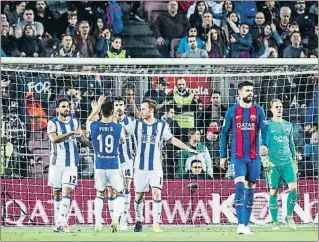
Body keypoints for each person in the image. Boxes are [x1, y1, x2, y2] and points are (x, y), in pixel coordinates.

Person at [125, 99, 198, 233]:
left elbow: (172, 139)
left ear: (151, 110)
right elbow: (122, 131)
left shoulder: (161, 125)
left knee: (157, 193)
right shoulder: (135, 124)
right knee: (138, 196)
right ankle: (139, 220)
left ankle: (156, 224)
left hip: (156, 167)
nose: (141, 111)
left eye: (143, 109)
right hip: (140, 168)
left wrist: (188, 148)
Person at [219, 81, 268, 235]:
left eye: (251, 90)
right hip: (237, 156)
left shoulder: (258, 110)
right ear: (239, 92)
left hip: (254, 157)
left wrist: (265, 144)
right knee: (239, 186)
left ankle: (245, 224)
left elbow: (265, 130)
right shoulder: (232, 111)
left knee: (251, 189)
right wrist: (222, 156)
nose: (250, 93)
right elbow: (224, 134)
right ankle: (240, 223)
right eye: (247, 90)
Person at [47, 98, 91, 233]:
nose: (66, 109)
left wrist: (93, 146)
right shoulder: (52, 123)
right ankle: (60, 221)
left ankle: (61, 222)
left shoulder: (75, 122)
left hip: (71, 163)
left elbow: (80, 139)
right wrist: (72, 132)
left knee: (67, 191)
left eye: (68, 107)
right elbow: (54, 139)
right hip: (56, 163)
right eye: (63, 106)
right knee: (57, 193)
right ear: (58, 109)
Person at [86, 96, 126, 233]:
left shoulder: (94, 125)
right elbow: (122, 140)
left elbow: (89, 119)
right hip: (113, 164)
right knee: (119, 192)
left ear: (101, 112)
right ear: (112, 112)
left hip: (99, 164)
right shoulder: (118, 127)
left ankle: (98, 223)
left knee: (99, 193)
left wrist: (95, 109)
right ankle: (115, 219)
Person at [264, 99, 297, 230]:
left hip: (287, 161)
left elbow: (291, 143)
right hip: (273, 163)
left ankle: (289, 217)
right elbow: (262, 143)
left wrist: (294, 159)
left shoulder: (288, 125)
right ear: (271, 109)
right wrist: (264, 159)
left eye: (281, 106)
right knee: (274, 192)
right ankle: (275, 222)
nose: (279, 109)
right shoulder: (267, 125)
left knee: (294, 188)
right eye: (276, 107)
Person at [113, 97, 135, 231]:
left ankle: (124, 219)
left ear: (125, 106)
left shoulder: (130, 121)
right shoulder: (108, 121)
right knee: (115, 191)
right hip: (113, 161)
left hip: (127, 160)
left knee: (127, 189)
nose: (119, 107)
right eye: (116, 105)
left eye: (121, 104)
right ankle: (115, 217)